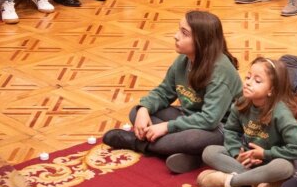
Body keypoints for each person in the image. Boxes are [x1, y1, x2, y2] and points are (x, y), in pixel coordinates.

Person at [102, 10, 239, 173]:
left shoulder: (221, 71)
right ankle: (191, 155)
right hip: (190, 117)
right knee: (136, 112)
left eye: (184, 33)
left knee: (192, 139)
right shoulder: (184, 59)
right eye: (179, 29)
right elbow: (163, 92)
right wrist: (144, 109)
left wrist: (167, 127)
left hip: (222, 129)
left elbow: (210, 119)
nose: (176, 36)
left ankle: (137, 143)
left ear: (202, 41)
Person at [197, 57, 297, 187]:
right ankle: (260, 182)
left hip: (274, 159)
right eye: (248, 77)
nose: (248, 82)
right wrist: (237, 153)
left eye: (257, 81)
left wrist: (265, 154)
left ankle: (229, 181)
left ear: (271, 90)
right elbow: (231, 130)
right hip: (249, 158)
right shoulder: (242, 103)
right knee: (209, 152)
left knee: (283, 167)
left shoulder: (282, 114)